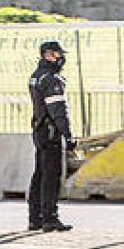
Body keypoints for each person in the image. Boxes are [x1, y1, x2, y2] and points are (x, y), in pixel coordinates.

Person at [28, 40, 76, 232]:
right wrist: (68, 136)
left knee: (39, 174)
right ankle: (50, 218)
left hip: (39, 130)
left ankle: (35, 218)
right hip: (50, 133)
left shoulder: (36, 76)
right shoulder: (51, 79)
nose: (61, 58)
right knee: (51, 175)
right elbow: (58, 111)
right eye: (58, 54)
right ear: (47, 55)